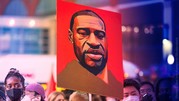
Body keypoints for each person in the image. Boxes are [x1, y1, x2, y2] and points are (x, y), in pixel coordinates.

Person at [57, 9, 123, 98]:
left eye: (100, 35)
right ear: (71, 36)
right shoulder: (66, 80)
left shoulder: (119, 88)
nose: (94, 42)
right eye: (83, 33)